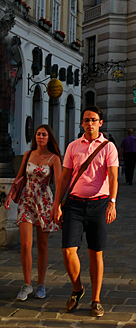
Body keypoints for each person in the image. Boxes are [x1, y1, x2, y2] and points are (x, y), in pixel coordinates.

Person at [55, 107, 120, 317]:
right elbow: (65, 177)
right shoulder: (73, 146)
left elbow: (113, 177)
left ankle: (96, 299)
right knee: (67, 250)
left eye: (93, 120)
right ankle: (77, 289)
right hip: (74, 204)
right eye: (86, 120)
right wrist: (57, 204)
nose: (89, 123)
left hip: (98, 204)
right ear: (82, 123)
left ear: (101, 122)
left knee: (96, 252)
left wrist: (112, 202)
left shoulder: (108, 147)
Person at [5, 124, 62, 301]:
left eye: (44, 134)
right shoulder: (29, 155)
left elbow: (59, 183)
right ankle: (27, 284)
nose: (40, 137)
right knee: (25, 244)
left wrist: (58, 206)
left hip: (44, 202)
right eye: (38, 134)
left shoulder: (54, 158)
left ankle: (41, 284)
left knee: (42, 246)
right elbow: (20, 176)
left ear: (49, 137)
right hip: (26, 200)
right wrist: (11, 194)